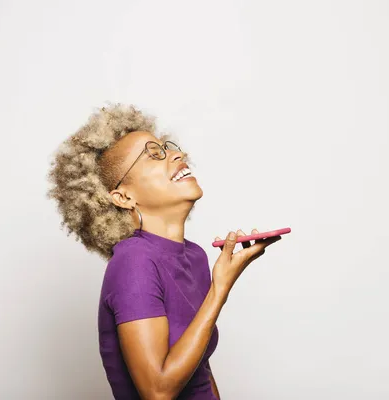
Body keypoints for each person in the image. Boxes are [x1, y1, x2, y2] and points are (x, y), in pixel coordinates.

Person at [47, 103, 281, 399]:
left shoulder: (194, 256)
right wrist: (220, 288)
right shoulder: (133, 262)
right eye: (153, 155)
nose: (177, 154)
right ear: (123, 196)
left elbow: (201, 371)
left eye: (167, 148)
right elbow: (158, 391)